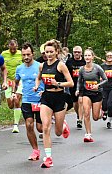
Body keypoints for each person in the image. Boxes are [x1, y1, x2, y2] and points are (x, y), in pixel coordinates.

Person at [34, 39, 74, 168]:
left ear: (56, 52)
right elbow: (39, 77)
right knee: (45, 128)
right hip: (46, 97)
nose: (49, 54)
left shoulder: (61, 65)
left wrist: (58, 84)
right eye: (47, 52)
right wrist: (36, 86)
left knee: (57, 132)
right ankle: (48, 157)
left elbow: (71, 83)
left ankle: (62, 126)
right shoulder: (42, 65)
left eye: (51, 52)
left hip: (59, 97)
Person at [14, 43, 44, 160]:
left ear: (33, 54)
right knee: (29, 125)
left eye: (28, 54)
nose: (26, 57)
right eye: (23, 55)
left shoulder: (40, 66)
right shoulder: (19, 68)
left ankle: (57, 120)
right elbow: (16, 81)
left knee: (40, 128)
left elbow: (47, 80)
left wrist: (45, 92)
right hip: (27, 100)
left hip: (40, 100)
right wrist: (14, 93)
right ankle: (35, 151)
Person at [76, 49, 107, 142]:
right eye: (85, 55)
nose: (87, 57)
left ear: (93, 57)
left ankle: (101, 113)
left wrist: (97, 85)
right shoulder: (82, 69)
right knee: (86, 113)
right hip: (86, 93)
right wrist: (78, 90)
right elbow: (79, 81)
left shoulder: (97, 68)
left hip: (97, 94)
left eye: (89, 55)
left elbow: (105, 80)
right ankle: (88, 134)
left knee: (95, 117)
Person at [1, 39, 23, 133]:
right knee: (10, 104)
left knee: (16, 100)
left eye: (14, 49)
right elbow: (1, 68)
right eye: (11, 49)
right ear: (8, 47)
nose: (13, 50)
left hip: (19, 80)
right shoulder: (3, 54)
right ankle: (14, 109)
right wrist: (4, 80)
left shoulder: (21, 54)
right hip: (8, 81)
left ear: (17, 47)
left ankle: (15, 125)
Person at [66, 46, 86, 129]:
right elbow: (65, 72)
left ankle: (80, 120)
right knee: (75, 102)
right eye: (75, 52)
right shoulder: (69, 61)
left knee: (80, 101)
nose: (77, 53)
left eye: (78, 52)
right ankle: (78, 114)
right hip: (73, 84)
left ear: (81, 53)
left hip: (82, 84)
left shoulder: (84, 61)